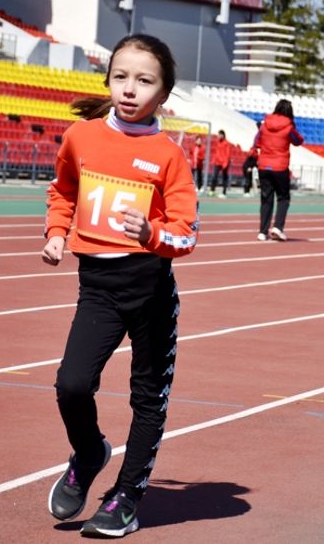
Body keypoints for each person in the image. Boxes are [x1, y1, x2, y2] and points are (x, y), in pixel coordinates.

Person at [42, 34, 197, 538]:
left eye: (145, 80)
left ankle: (126, 497)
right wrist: (56, 234)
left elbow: (186, 233)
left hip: (150, 292)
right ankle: (89, 453)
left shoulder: (169, 156)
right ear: (108, 80)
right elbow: (63, 190)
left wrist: (152, 233)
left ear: (164, 93)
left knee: (147, 399)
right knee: (71, 384)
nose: (130, 89)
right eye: (121, 77)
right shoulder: (81, 137)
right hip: (98, 289)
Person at [254, 99, 304, 241]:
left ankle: (263, 232)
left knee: (266, 199)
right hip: (280, 166)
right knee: (283, 198)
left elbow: (257, 142)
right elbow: (298, 141)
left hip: (263, 165)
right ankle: (278, 227)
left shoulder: (264, 124)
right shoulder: (289, 127)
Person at [208, 129, 231, 198]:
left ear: (223, 135)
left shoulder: (227, 143)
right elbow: (216, 153)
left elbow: (227, 154)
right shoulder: (217, 142)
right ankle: (212, 190)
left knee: (224, 178)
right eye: (218, 134)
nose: (219, 136)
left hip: (224, 163)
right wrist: (213, 160)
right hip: (217, 162)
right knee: (214, 176)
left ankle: (224, 192)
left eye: (220, 134)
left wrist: (225, 163)